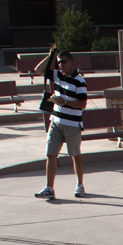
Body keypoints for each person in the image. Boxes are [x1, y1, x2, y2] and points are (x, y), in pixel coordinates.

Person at [33, 46, 87, 199]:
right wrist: (51, 55)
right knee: (51, 154)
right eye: (58, 62)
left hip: (72, 123)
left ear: (71, 62)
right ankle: (49, 188)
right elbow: (38, 69)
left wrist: (64, 102)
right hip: (56, 121)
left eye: (63, 62)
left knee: (75, 155)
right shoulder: (57, 75)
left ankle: (80, 185)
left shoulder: (79, 81)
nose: (60, 65)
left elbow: (82, 104)